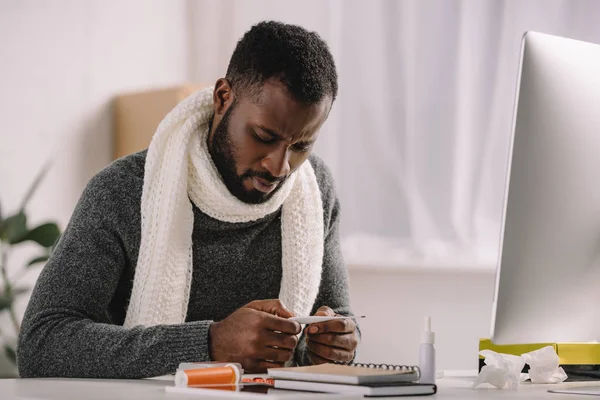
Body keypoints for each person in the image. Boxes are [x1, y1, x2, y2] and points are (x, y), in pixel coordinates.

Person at [17, 20, 359, 379]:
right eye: (263, 135)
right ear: (223, 98)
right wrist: (209, 344)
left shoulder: (315, 188)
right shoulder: (122, 191)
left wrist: (339, 341)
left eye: (301, 145)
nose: (279, 166)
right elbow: (42, 343)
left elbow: (336, 315)